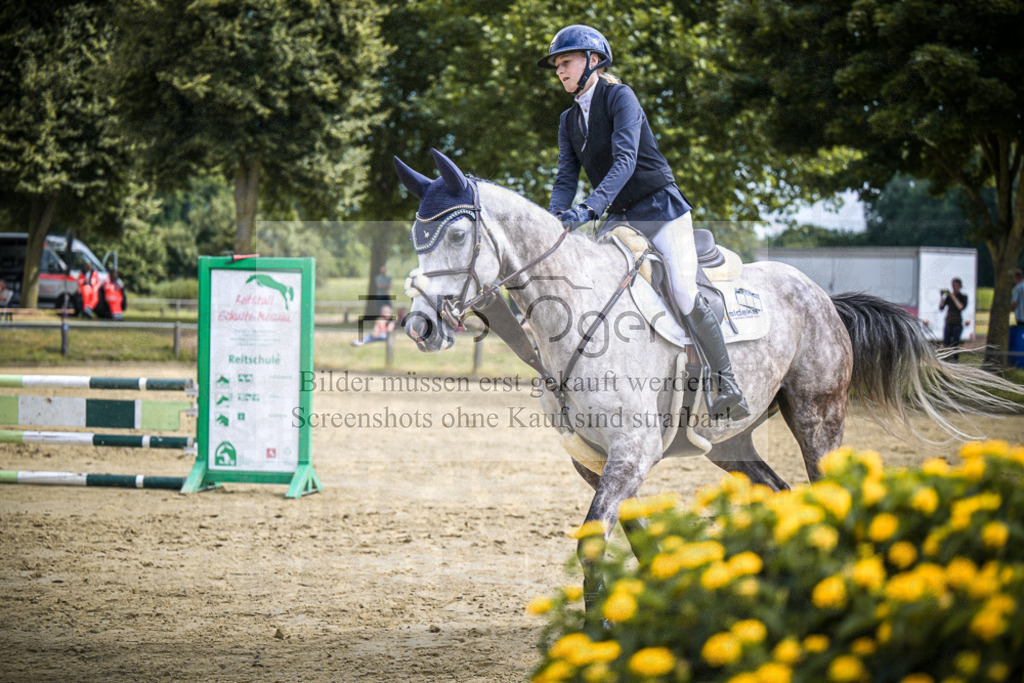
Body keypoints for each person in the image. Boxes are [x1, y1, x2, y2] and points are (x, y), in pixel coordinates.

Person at [538, 24, 747, 420]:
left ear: (593, 60)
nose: (560, 71)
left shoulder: (621, 97)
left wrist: (589, 209)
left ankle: (726, 383)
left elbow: (625, 161)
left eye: (566, 62)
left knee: (683, 292)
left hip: (661, 209)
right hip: (621, 218)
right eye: (557, 66)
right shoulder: (568, 121)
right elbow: (566, 176)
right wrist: (554, 219)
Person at [939, 278, 968, 362]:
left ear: (959, 286)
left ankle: (955, 359)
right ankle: (946, 359)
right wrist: (942, 297)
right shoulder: (949, 297)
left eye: (955, 285)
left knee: (955, 342)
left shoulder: (963, 297)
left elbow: (961, 307)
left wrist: (953, 297)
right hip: (948, 322)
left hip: (957, 323)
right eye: (953, 285)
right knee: (946, 342)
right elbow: (941, 307)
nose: (953, 287)